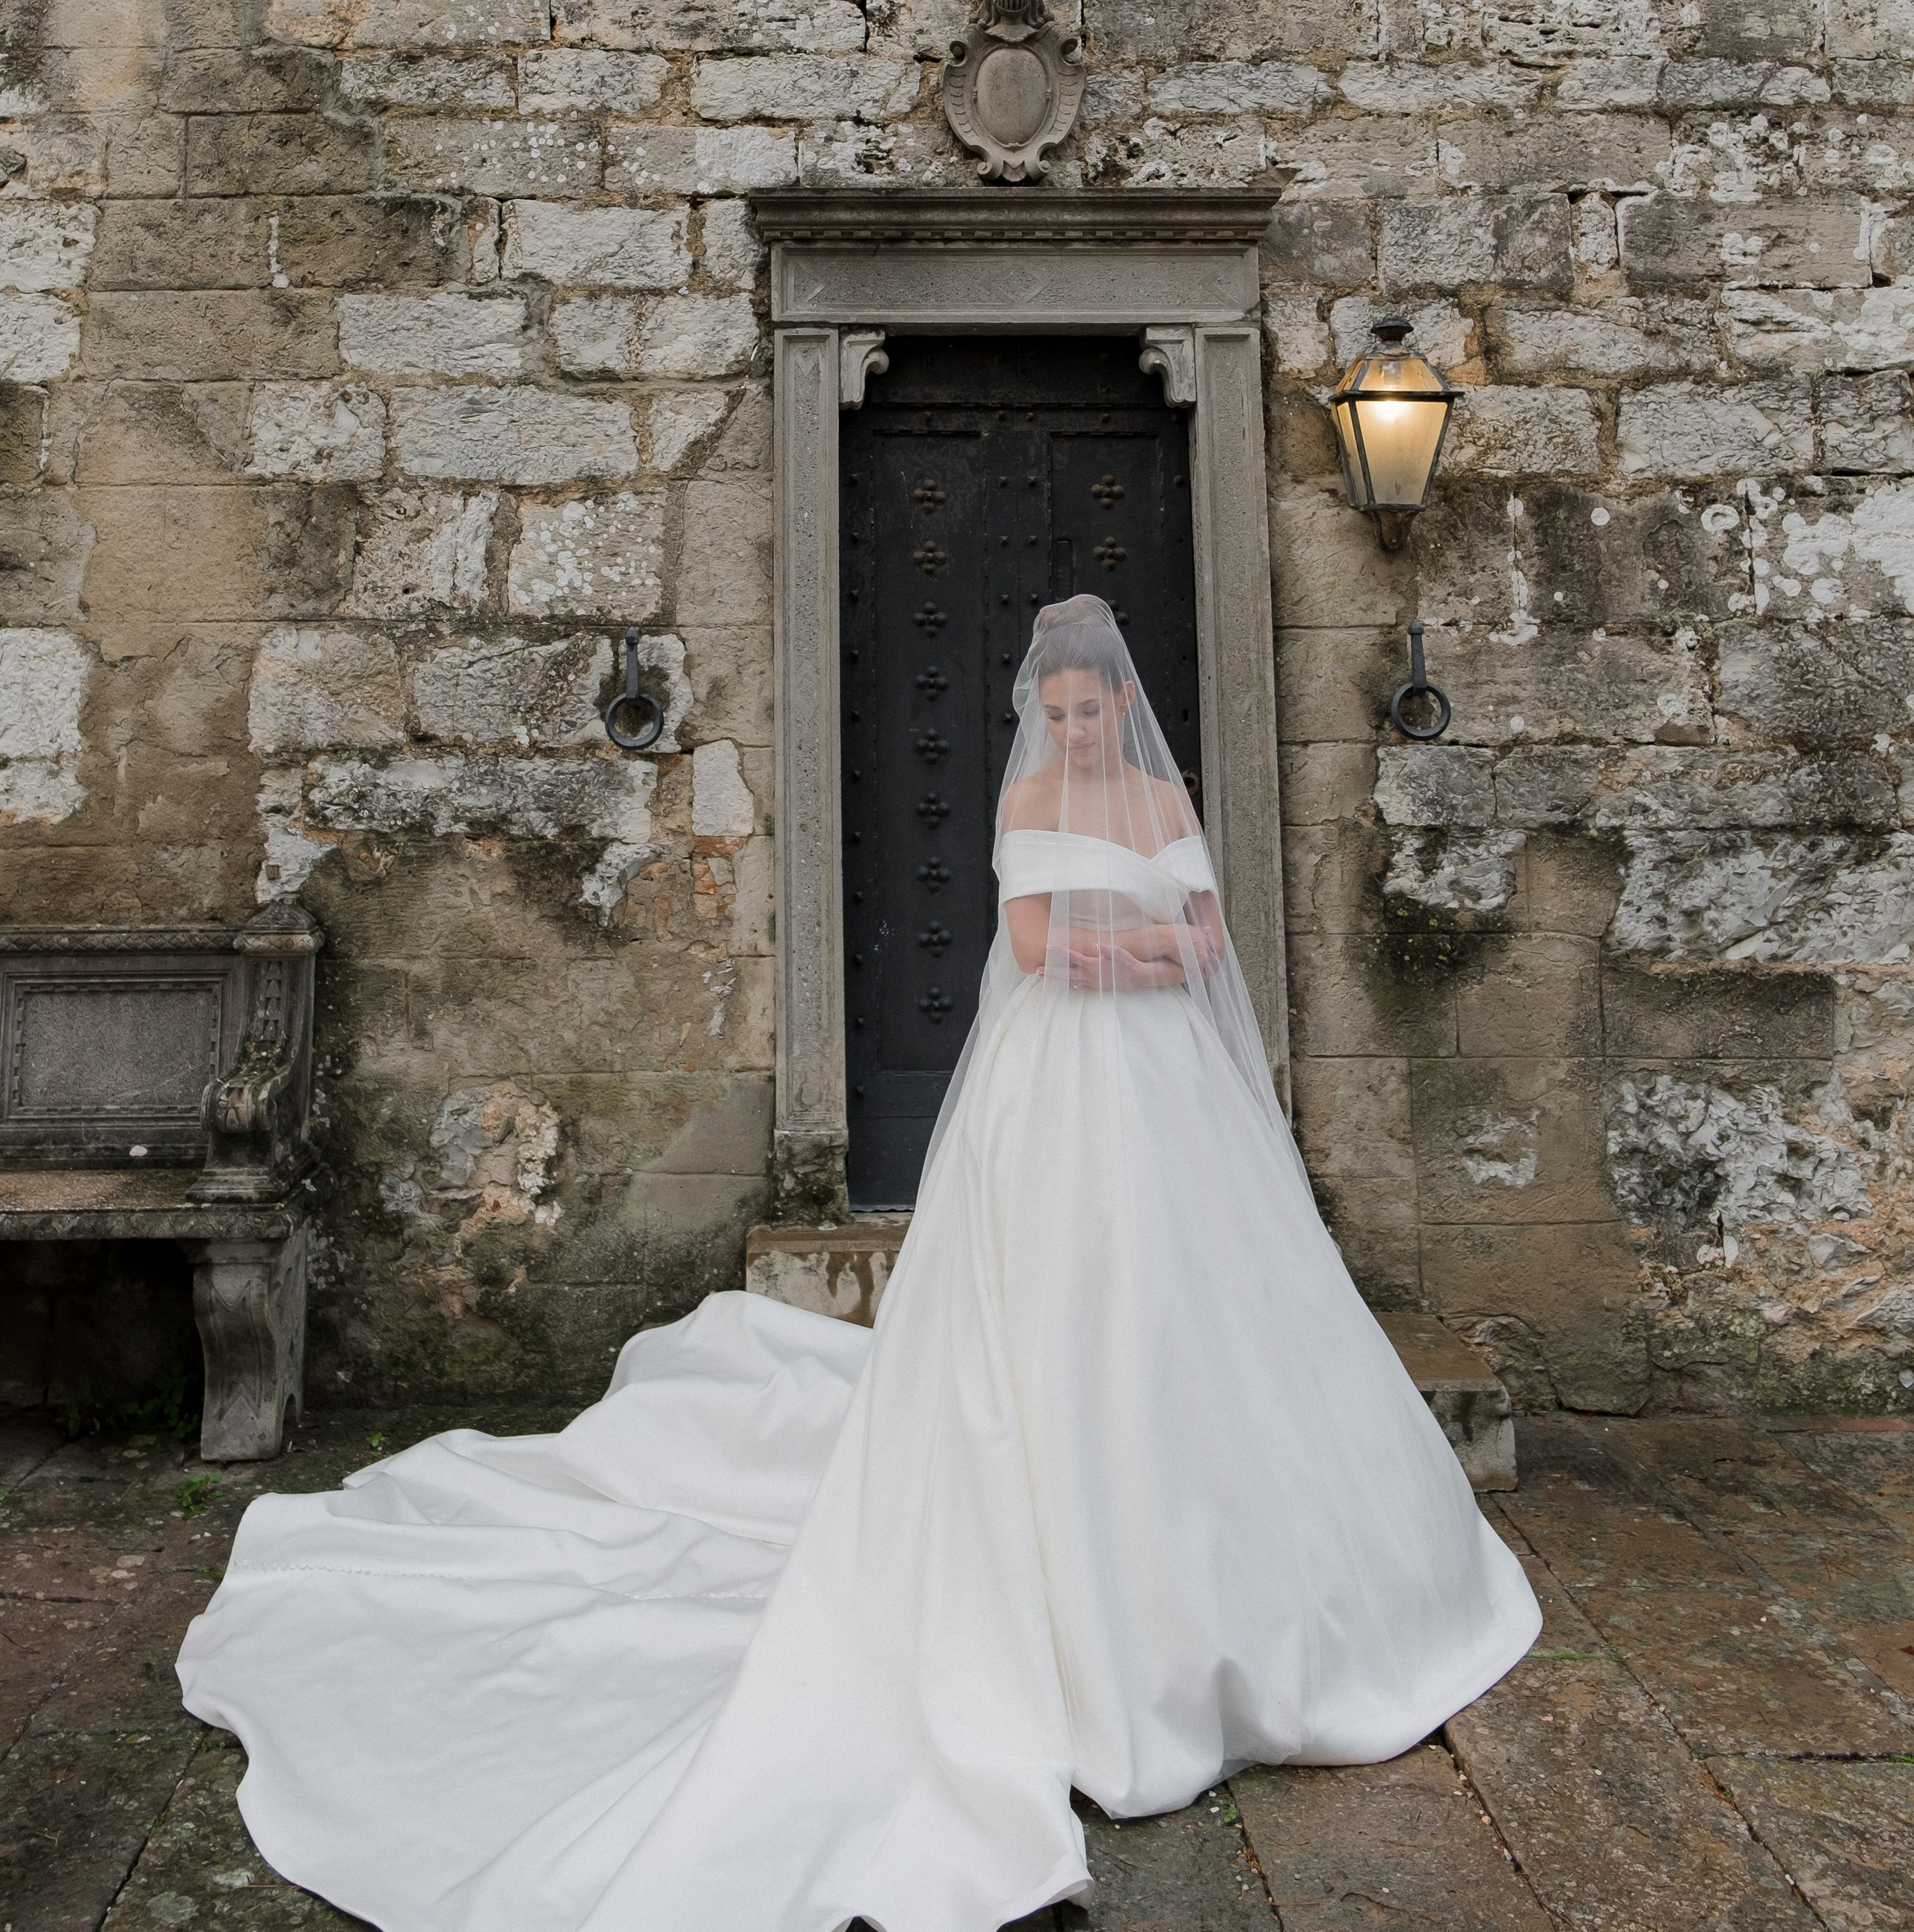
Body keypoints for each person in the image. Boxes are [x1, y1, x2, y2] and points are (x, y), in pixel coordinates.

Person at [177, 595, 1539, 1932]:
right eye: (1051, 712)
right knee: (1063, 1310)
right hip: (1058, 1089)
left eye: (1086, 710)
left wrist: (1130, 945)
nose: (1068, 730)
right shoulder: (1024, 806)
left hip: (1174, 1097)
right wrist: (1133, 948)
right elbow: (1030, 947)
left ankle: (1224, 1575)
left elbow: (1206, 944)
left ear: (1124, 704)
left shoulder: (1165, 806)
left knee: (1194, 1310)